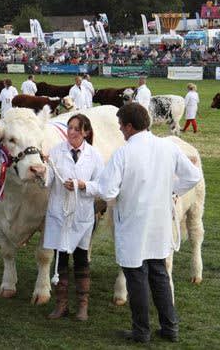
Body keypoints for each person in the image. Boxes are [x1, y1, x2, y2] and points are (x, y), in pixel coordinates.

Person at [97, 103, 202, 343]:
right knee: (159, 275)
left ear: (129, 127)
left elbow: (107, 190)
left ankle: (141, 331)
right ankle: (170, 328)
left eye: (121, 126)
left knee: (136, 278)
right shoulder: (167, 147)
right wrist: (172, 190)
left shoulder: (123, 153)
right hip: (159, 222)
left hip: (134, 223)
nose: (120, 131)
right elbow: (193, 176)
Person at [44, 114, 104, 321]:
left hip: (81, 216)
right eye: (69, 128)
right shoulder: (56, 152)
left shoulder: (95, 155)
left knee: (81, 259)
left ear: (86, 132)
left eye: (76, 129)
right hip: (59, 213)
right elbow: (48, 181)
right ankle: (61, 305)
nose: (71, 132)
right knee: (60, 259)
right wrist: (41, 171)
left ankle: (82, 306)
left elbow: (101, 186)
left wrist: (81, 185)